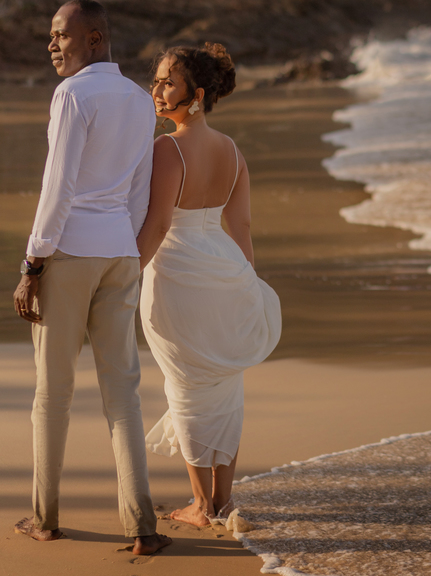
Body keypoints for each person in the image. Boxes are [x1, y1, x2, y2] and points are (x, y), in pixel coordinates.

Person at [12, 0, 171, 555]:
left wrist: (33, 264)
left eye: (62, 35)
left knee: (53, 393)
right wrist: (122, 249)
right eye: (51, 35)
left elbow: (57, 189)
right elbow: (138, 191)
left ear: (95, 38)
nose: (52, 44)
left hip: (71, 254)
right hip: (119, 255)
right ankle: (142, 526)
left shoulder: (73, 95)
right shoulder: (136, 99)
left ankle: (45, 517)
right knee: (123, 395)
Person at [136, 42, 282, 527]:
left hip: (178, 273)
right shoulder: (233, 151)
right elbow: (240, 229)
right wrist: (249, 288)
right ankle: (225, 500)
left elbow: (157, 227)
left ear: (195, 94)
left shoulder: (168, 148)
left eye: (167, 82)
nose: (156, 90)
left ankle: (201, 506)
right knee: (223, 386)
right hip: (225, 271)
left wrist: (122, 279)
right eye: (155, 80)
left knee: (186, 386)